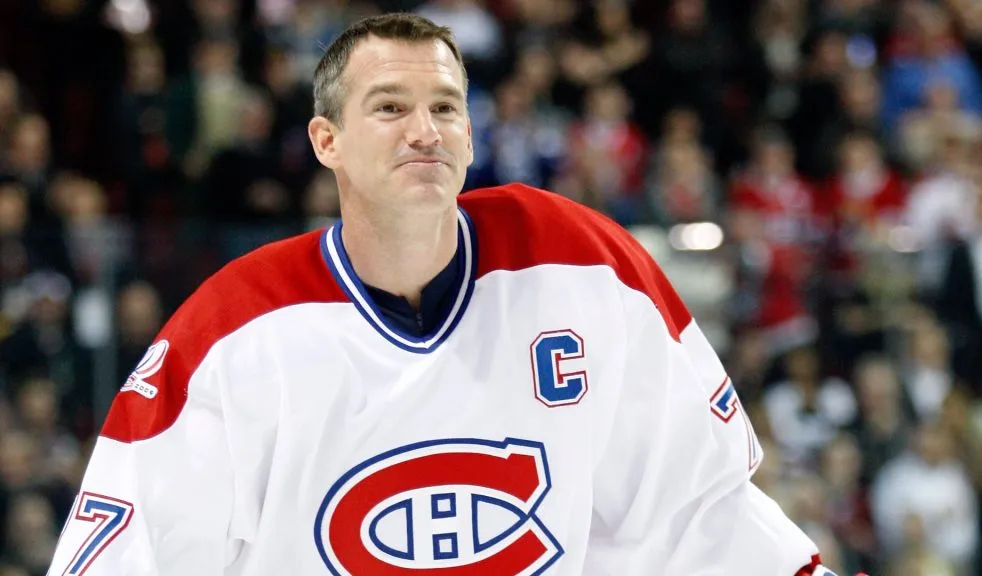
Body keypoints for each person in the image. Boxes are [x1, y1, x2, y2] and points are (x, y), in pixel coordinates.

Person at [46, 13, 839, 576]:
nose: (423, 130)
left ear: (469, 135)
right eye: (390, 107)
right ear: (327, 141)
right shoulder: (234, 332)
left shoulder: (581, 267)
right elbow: (127, 552)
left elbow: (698, 512)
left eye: (445, 109)